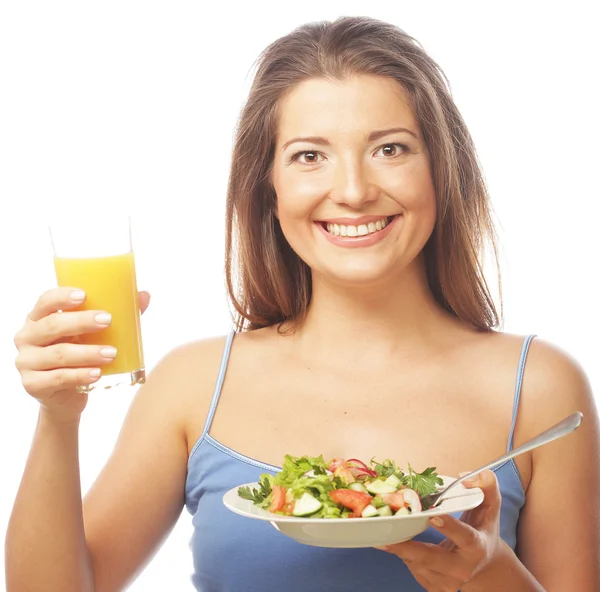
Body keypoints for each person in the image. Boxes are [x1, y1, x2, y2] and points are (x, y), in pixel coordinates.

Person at [5, 15, 599, 592]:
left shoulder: (543, 386)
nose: (353, 191)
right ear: (270, 187)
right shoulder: (192, 385)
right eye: (309, 156)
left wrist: (494, 581)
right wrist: (59, 416)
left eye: (390, 149)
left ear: (441, 170)